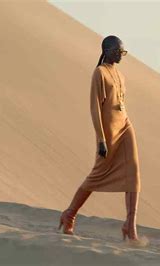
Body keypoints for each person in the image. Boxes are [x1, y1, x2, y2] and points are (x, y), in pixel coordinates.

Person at [58, 35, 144, 245]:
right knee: (98, 175)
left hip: (125, 126)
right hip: (109, 132)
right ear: (107, 50)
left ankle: (130, 225)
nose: (120, 55)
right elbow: (95, 108)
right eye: (118, 51)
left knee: (133, 172)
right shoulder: (99, 73)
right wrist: (101, 139)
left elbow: (120, 103)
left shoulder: (120, 75)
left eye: (123, 52)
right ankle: (69, 214)